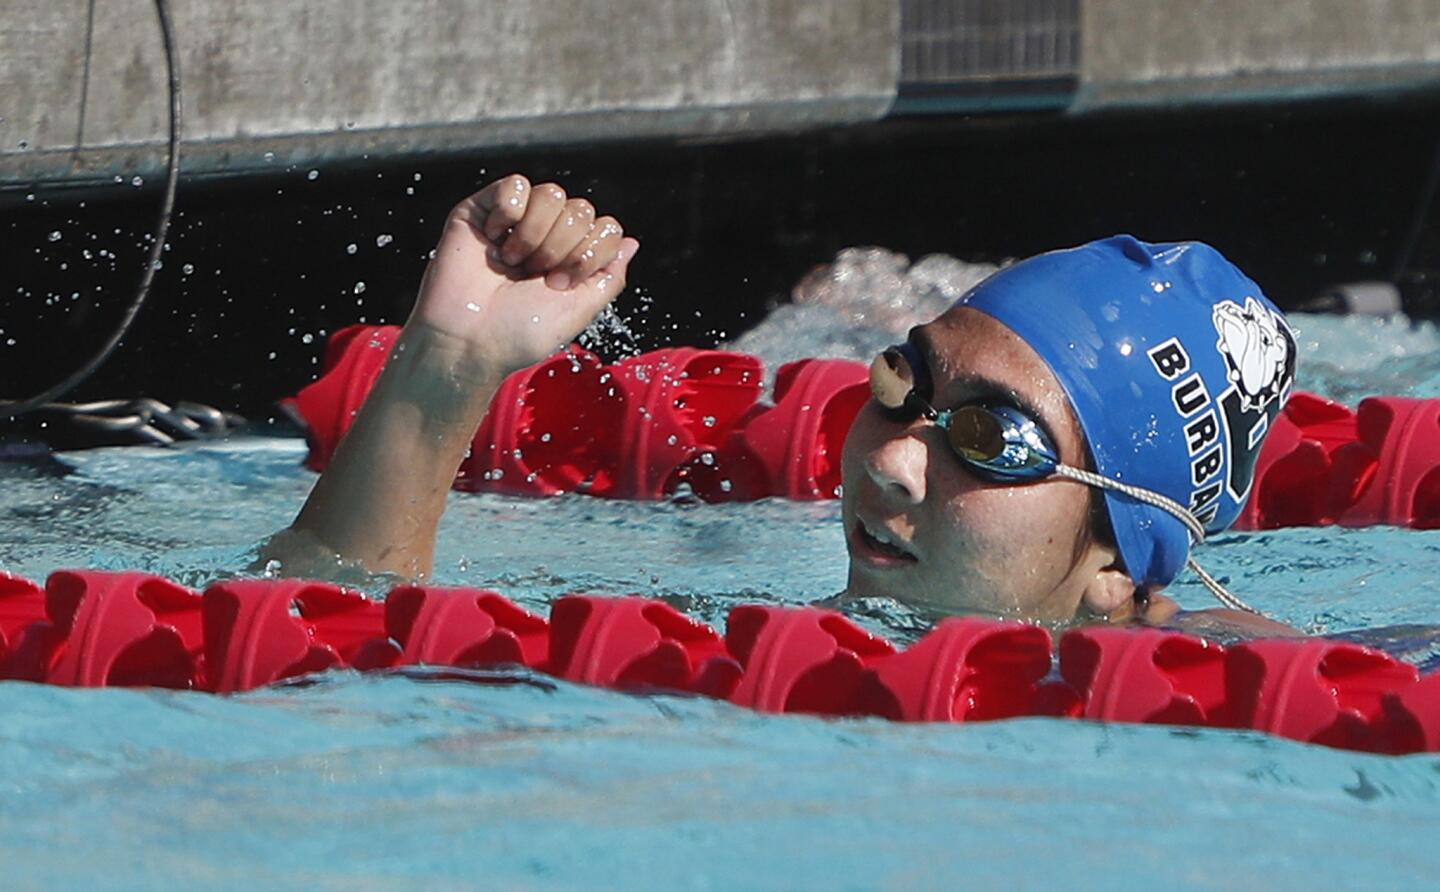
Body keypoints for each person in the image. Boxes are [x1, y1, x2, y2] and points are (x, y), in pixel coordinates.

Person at [261, 174, 1298, 636]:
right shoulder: (770, 646)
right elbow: (319, 638)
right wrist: (453, 359)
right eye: (906, 384)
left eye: (992, 438)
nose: (893, 459)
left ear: (1119, 559)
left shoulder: (1198, 678)